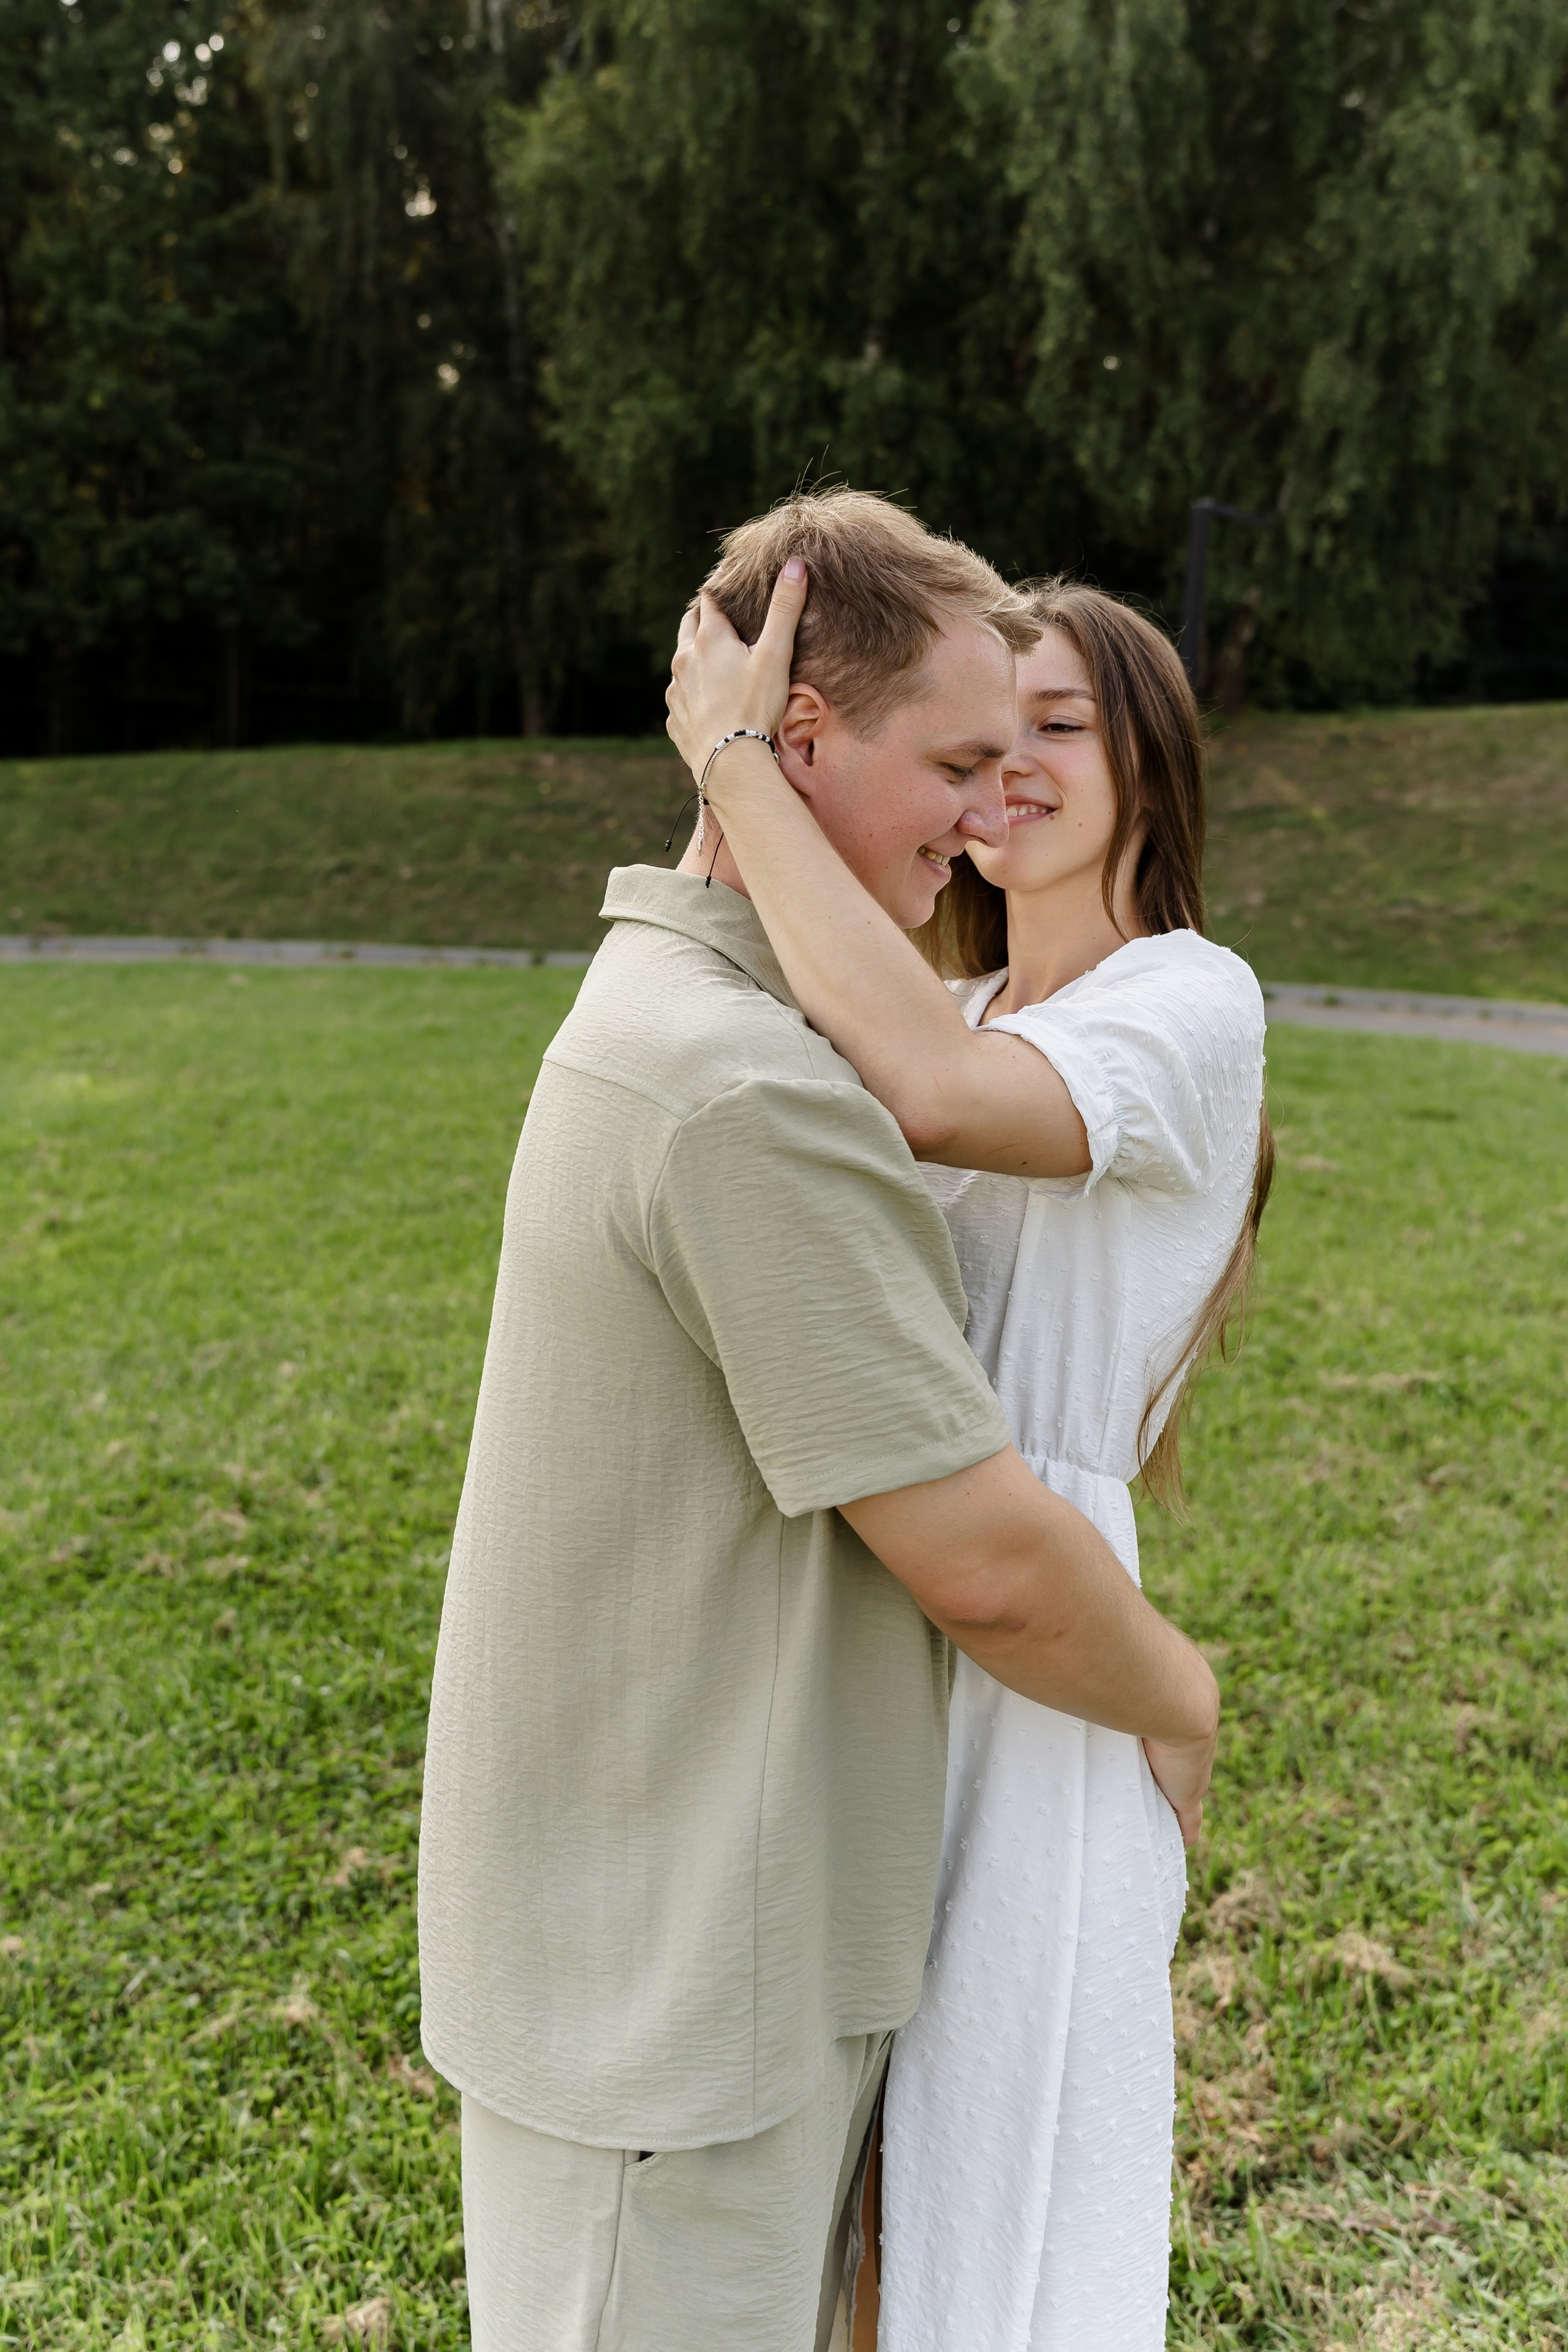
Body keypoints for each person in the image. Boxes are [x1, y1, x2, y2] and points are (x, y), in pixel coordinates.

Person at [417, 488, 1221, 2352]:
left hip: (664, 1948)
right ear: (797, 750)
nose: (982, 807)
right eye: (951, 757)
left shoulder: (684, 1021)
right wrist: (1185, 1701)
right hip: (675, 2007)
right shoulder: (746, 1093)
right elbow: (984, 1565)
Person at [665, 550, 1271, 2351]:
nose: (1007, 772)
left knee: (992, 2209)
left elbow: (931, 1094)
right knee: (849, 2196)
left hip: (1036, 1627)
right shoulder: (973, 1006)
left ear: (1150, 762)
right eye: (981, 741)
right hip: (875, 1597)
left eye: (1059, 730)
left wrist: (735, 765)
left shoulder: (1190, 999)